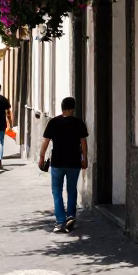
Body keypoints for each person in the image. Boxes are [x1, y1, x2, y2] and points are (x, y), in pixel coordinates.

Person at [39, 97, 88, 233]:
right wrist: (85, 158)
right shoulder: (79, 123)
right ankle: (70, 216)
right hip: (74, 163)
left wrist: (41, 157)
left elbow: (45, 142)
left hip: (57, 163)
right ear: (73, 109)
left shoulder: (53, 122)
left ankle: (60, 221)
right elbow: (83, 142)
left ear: (62, 108)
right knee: (72, 190)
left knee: (56, 191)